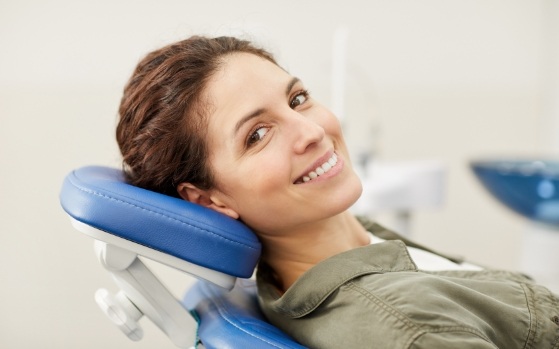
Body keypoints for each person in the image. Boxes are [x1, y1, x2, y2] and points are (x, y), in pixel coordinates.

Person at [116, 36, 559, 348]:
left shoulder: (353, 239)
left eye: (297, 99)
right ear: (210, 200)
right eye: (257, 135)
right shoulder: (410, 331)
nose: (311, 131)